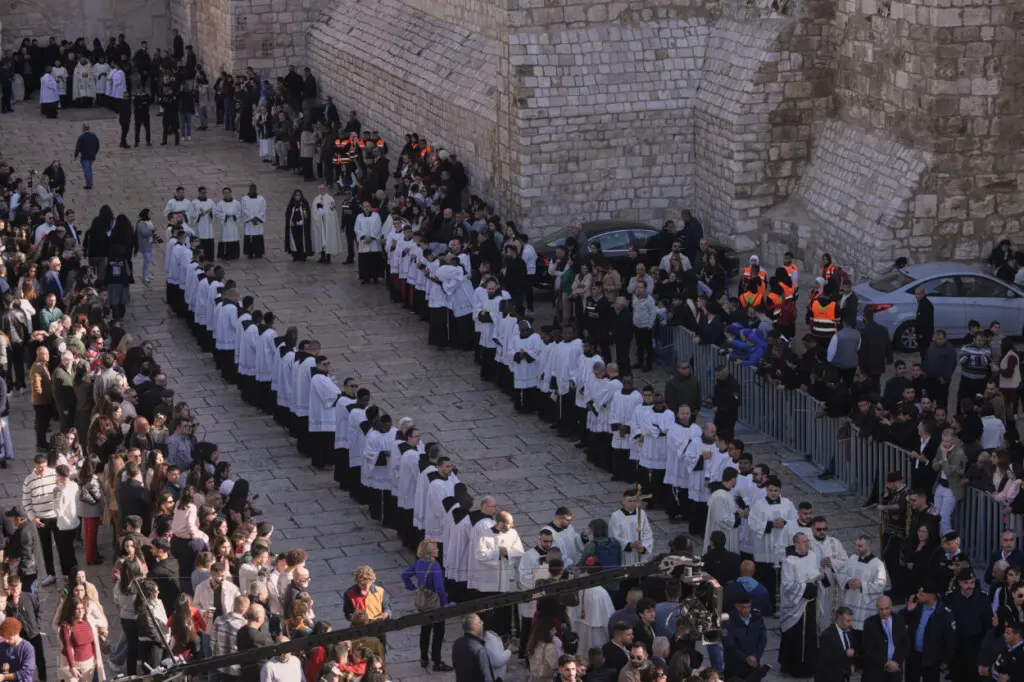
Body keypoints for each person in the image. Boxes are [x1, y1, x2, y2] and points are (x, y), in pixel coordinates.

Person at [400, 540, 452, 672]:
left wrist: (412, 587)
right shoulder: (434, 566)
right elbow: (439, 588)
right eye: (435, 548)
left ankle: (424, 658)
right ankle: (437, 661)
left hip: (423, 603)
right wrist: (444, 603)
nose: (438, 550)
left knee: (425, 630)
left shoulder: (418, 563)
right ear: (430, 551)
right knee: (438, 632)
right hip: (435, 603)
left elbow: (404, 574)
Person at [779, 533, 821, 677]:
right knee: (796, 636)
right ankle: (795, 666)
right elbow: (787, 585)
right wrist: (807, 588)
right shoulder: (789, 561)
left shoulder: (813, 555)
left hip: (809, 603)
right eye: (803, 542)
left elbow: (814, 573)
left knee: (809, 635)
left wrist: (817, 578)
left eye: (807, 541)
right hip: (796, 604)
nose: (807, 544)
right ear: (796, 544)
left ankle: (809, 665)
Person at [903, 581, 955, 682]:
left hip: (932, 659)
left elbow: (950, 639)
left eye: (921, 594)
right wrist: (908, 610)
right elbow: (900, 621)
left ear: (931, 596)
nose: (917, 596)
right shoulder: (916, 605)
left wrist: (946, 660)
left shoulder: (944, 613)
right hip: (913, 656)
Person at [722, 593, 767, 680]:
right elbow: (729, 645)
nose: (747, 610)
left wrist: (756, 656)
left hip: (754, 665)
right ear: (737, 606)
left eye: (749, 606)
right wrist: (746, 659)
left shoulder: (757, 617)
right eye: (743, 607)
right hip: (735, 667)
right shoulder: (728, 621)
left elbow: (763, 639)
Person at [814, 607, 857, 682]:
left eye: (851, 620)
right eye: (848, 621)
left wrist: (851, 663)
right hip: (829, 676)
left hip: (843, 676)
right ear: (839, 619)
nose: (850, 624)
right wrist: (845, 653)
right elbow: (825, 658)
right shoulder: (827, 635)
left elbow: (851, 649)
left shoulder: (851, 631)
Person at [451, 613, 495, 682]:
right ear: (474, 627)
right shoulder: (479, 650)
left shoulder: (457, 643)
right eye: (480, 622)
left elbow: (455, 665)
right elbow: (487, 678)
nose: (482, 623)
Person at [310, 184, 342, 265]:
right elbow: (314, 212)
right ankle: (322, 256)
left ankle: (328, 257)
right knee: (320, 239)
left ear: (325, 189)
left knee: (328, 239)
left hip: (328, 223)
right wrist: (318, 214)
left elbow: (333, 210)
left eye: (323, 189)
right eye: (320, 189)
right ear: (318, 190)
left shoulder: (330, 199)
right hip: (320, 223)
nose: (321, 190)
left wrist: (325, 214)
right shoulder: (316, 199)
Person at [240, 184, 267, 259]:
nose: (252, 190)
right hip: (249, 221)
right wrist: (251, 218)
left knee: (258, 236)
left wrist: (257, 217)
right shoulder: (244, 199)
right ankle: (250, 253)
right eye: (251, 189)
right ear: (249, 189)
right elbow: (243, 210)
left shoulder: (261, 199)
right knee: (249, 236)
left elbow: (263, 209)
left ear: (256, 189)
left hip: (258, 221)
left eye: (254, 189)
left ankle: (259, 252)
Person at [72, 123, 99, 189]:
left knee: (87, 171)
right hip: (92, 156)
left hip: (85, 156)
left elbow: (78, 147)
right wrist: (95, 152)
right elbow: (97, 145)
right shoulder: (93, 136)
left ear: (83, 128)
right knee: (89, 169)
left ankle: (89, 185)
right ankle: (90, 182)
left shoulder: (81, 137)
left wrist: (75, 155)